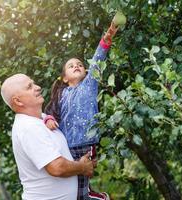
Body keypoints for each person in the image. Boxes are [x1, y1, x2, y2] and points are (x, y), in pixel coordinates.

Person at [44, 21, 118, 200]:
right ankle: (95, 196)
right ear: (64, 78)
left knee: (80, 188)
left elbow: (98, 59)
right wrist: (49, 120)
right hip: (66, 145)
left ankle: (99, 198)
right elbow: (49, 111)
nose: (76, 66)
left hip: (87, 143)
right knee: (75, 186)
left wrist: (106, 39)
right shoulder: (61, 93)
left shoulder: (90, 84)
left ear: (86, 71)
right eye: (71, 66)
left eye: (79, 64)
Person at [0, 74, 94, 200]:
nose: (38, 87)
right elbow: (57, 167)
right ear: (18, 101)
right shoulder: (28, 127)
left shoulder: (43, 118)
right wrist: (82, 167)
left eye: (34, 83)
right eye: (29, 87)